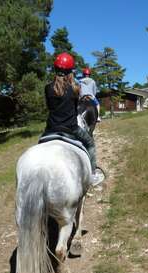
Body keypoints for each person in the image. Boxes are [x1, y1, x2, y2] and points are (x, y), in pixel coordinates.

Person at [43, 52, 100, 184]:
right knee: (90, 144)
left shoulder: (47, 88)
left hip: (50, 130)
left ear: (55, 69)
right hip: (71, 129)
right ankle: (93, 174)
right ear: (71, 71)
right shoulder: (75, 88)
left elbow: (49, 107)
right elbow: (76, 107)